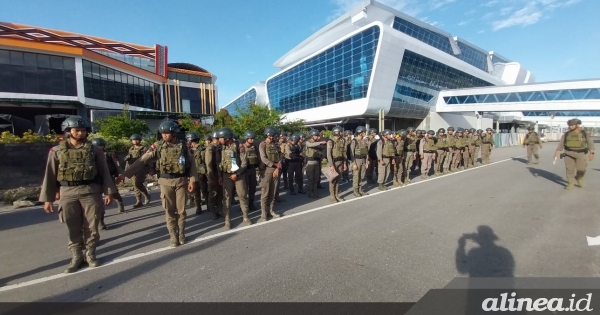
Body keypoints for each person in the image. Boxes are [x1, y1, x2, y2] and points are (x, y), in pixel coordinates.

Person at [39, 116, 116, 273]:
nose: (81, 133)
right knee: (72, 226)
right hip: (67, 192)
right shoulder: (57, 151)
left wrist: (109, 192)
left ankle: (90, 254)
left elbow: (104, 172)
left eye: (83, 130)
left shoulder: (95, 150)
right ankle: (76, 257)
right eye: (77, 130)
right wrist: (47, 199)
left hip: (90, 191)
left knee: (92, 226)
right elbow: (50, 175)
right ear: (68, 131)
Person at [117, 120, 197, 247]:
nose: (164, 136)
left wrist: (192, 180)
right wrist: (125, 174)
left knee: (181, 211)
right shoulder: (158, 146)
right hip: (165, 182)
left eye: (167, 133)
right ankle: (173, 236)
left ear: (173, 133)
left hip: (181, 181)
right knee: (169, 210)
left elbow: (192, 164)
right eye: (163, 133)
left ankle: (181, 233)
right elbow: (142, 160)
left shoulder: (184, 145)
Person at [217, 127, 252, 229]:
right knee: (226, 198)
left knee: (242, 195)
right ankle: (227, 220)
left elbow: (244, 162)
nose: (219, 139)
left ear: (227, 137)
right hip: (226, 175)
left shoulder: (239, 146)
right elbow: (219, 163)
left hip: (238, 175)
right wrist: (220, 176)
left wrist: (238, 173)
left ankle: (245, 216)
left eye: (221, 137)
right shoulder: (221, 148)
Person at [554, 118, 595, 190]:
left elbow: (590, 143)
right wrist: (557, 152)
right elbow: (561, 144)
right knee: (569, 170)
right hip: (568, 153)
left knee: (581, 169)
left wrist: (591, 153)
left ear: (577, 125)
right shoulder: (566, 134)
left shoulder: (584, 133)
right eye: (569, 125)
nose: (570, 126)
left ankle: (578, 177)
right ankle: (570, 183)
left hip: (581, 153)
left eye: (572, 125)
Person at [91, 138, 125, 221]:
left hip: (109, 176)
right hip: (96, 178)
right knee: (96, 198)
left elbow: (117, 164)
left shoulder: (109, 154)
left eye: (101, 146)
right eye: (97, 146)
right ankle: (100, 219)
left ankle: (119, 202)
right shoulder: (91, 154)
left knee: (113, 192)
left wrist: (120, 174)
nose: (99, 148)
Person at [259, 127, 283, 220]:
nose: (272, 138)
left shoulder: (275, 145)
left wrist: (279, 164)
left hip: (276, 169)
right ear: (267, 135)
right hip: (267, 170)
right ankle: (263, 213)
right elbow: (263, 158)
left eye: (273, 136)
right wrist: (275, 165)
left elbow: (280, 155)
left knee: (273, 192)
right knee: (265, 192)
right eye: (271, 136)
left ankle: (271, 210)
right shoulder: (262, 145)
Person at [124, 134, 151, 209]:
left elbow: (149, 158)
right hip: (132, 168)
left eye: (136, 139)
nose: (135, 141)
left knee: (138, 183)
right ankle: (139, 201)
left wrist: (150, 169)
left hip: (142, 168)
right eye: (133, 140)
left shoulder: (144, 148)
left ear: (140, 140)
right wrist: (126, 169)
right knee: (134, 185)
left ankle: (146, 195)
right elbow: (127, 161)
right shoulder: (131, 149)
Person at [186, 132, 208, 215]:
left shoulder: (201, 149)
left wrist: (203, 173)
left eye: (189, 141)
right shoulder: (189, 150)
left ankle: (209, 206)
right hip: (192, 175)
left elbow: (204, 162)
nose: (188, 143)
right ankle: (198, 207)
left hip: (200, 174)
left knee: (204, 191)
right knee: (196, 192)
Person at [326, 125, 347, 202]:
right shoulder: (330, 142)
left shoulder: (342, 141)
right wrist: (331, 165)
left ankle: (336, 195)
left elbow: (344, 153)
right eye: (341, 131)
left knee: (338, 180)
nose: (342, 133)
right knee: (332, 180)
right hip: (333, 163)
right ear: (337, 132)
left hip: (340, 162)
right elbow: (329, 154)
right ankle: (332, 196)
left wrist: (344, 163)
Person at [205, 130, 223, 220]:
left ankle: (219, 209)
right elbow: (208, 164)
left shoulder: (219, 147)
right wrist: (211, 176)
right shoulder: (210, 148)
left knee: (220, 192)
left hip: (219, 173)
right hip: (213, 174)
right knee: (213, 193)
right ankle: (212, 211)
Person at [304, 129, 327, 198]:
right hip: (310, 163)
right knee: (311, 179)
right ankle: (311, 193)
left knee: (316, 179)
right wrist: (320, 143)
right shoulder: (308, 142)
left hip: (317, 162)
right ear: (312, 136)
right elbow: (310, 145)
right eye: (316, 136)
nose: (318, 137)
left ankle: (314, 192)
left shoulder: (317, 143)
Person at [242, 131, 259, 211]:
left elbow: (257, 159)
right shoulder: (241, 148)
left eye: (253, 139)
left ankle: (251, 204)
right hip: (244, 171)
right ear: (246, 139)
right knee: (244, 189)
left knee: (252, 188)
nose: (253, 140)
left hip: (252, 170)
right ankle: (243, 205)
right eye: (251, 139)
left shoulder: (254, 147)